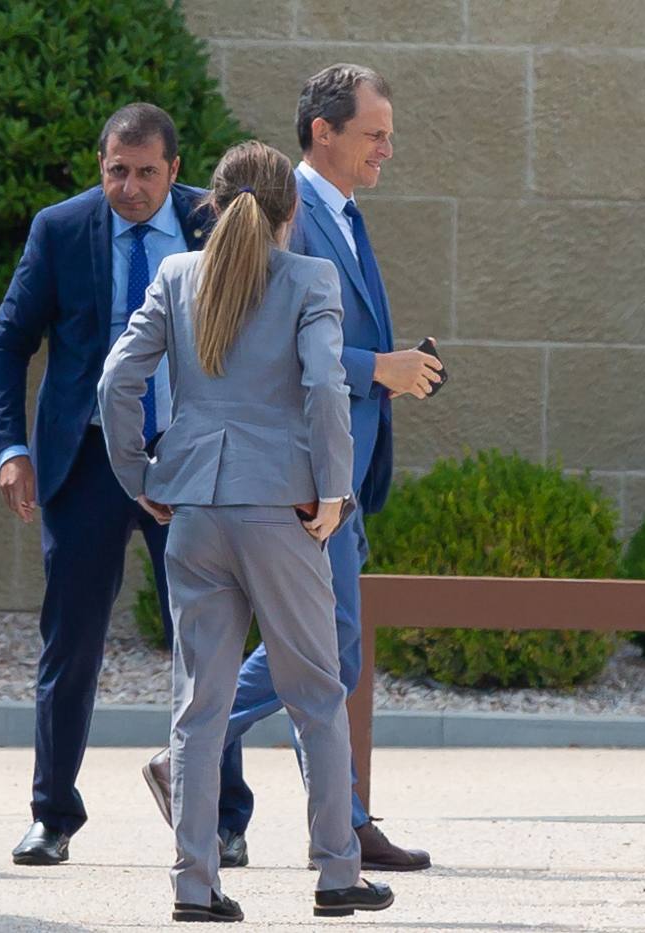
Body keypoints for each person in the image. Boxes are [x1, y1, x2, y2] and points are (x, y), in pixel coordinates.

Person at [142, 64, 439, 873]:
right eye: (373, 134)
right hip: (299, 487)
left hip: (307, 480)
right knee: (326, 655)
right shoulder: (293, 223)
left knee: (327, 653)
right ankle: (326, 832)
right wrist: (381, 366)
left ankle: (335, 818)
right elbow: (284, 358)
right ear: (323, 133)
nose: (386, 148)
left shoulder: (341, 216)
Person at [99, 140, 396, 923]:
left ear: (209, 203)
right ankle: (337, 874)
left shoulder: (176, 275)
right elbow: (326, 388)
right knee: (316, 694)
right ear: (289, 210)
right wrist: (335, 489)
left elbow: (115, 380)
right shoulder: (308, 276)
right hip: (281, 506)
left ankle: (194, 886)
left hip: (193, 503)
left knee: (197, 705)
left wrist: (139, 478)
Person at [0, 102, 211, 865]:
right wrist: (11, 446)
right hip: (85, 462)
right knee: (71, 640)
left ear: (174, 171)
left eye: (147, 172)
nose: (131, 187)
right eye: (118, 170)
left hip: (189, 462)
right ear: (100, 165)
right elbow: (9, 341)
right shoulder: (61, 228)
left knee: (204, 639)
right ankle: (52, 814)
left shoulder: (216, 223)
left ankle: (220, 815)